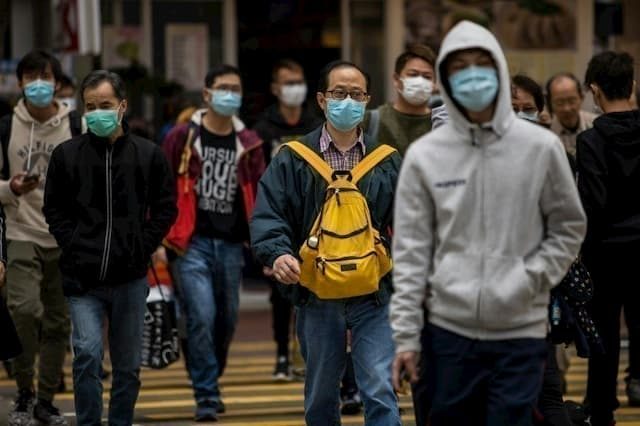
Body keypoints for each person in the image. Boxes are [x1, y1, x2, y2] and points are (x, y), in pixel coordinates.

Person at [390, 20, 586, 426]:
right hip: (447, 330)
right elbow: (410, 253)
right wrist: (406, 337)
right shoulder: (426, 156)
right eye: (461, 66)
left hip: (520, 330)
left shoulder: (540, 148)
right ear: (445, 76)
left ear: (499, 71)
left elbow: (568, 227)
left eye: (483, 63)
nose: (473, 75)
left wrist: (531, 277)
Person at [251, 60, 402, 425]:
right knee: (320, 393)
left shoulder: (386, 161)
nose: (347, 101)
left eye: (356, 94)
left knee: (380, 387)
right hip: (316, 293)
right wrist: (279, 253)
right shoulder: (293, 158)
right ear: (321, 100)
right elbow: (269, 213)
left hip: (375, 292)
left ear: (367, 100)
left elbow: (410, 225)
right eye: (338, 93)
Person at [42, 70, 176, 426]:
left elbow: (166, 208)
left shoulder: (148, 155)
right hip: (82, 280)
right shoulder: (67, 156)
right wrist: (71, 243)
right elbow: (53, 208)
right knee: (86, 353)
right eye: (90, 107)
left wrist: (143, 246)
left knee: (128, 366)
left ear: (122, 106)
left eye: (105, 105)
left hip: (130, 279)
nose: (97, 113)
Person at [162, 64, 265, 422]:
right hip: (192, 243)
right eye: (223, 88)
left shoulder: (249, 143)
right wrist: (160, 235)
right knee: (202, 314)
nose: (229, 95)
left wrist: (264, 241)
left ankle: (206, 369)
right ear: (206, 94)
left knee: (227, 319)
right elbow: (161, 188)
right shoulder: (181, 138)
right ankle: (206, 394)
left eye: (235, 89)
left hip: (232, 244)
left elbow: (259, 194)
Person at [0, 50, 81, 426]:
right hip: (20, 230)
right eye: (30, 77)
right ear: (19, 84)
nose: (37, 84)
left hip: (63, 236)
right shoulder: (6, 127)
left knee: (57, 323)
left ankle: (46, 401)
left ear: (57, 82)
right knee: (24, 311)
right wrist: (10, 188)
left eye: (44, 76)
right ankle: (24, 389)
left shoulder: (75, 126)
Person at [577, 51, 640, 426]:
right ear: (632, 86)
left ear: (594, 90)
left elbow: (594, 203)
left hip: (604, 253)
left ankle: (601, 410)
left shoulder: (591, 141)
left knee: (604, 335)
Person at [253, 59, 321, 381]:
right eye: (287, 82)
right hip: (280, 216)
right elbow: (253, 174)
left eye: (299, 81)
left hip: (314, 217)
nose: (294, 87)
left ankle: (310, 355)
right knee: (280, 292)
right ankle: (282, 354)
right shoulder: (264, 127)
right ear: (276, 89)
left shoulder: (314, 123)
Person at [363, 44, 435, 155]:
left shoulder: (441, 124)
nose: (420, 81)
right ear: (396, 80)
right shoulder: (370, 122)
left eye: (427, 76)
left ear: (434, 83)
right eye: (413, 74)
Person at [546, 72, 598, 158]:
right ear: (550, 103)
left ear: (581, 98)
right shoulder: (546, 132)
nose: (567, 108)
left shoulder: (596, 125)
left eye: (572, 101)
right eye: (559, 103)